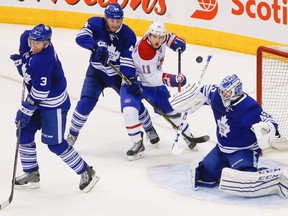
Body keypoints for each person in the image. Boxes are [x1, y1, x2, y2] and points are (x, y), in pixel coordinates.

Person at [10, 24, 99, 193]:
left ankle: (87, 171)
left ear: (47, 42)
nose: (34, 45)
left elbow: (39, 92)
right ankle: (31, 173)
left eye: (39, 43)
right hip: (40, 101)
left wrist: (25, 109)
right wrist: (23, 56)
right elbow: (26, 42)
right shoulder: (33, 45)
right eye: (32, 41)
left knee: (55, 144)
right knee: (24, 133)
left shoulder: (43, 60)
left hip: (53, 105)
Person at [66, 3, 160, 150]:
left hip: (118, 75)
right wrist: (96, 46)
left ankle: (149, 129)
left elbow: (127, 59)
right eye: (112, 21)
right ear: (106, 18)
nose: (115, 24)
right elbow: (80, 37)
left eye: (118, 21)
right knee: (85, 103)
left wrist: (131, 79)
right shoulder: (94, 23)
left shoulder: (128, 34)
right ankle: (72, 133)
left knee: (134, 103)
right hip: (96, 72)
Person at [189, 74, 288, 198]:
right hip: (221, 149)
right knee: (203, 176)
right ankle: (223, 167)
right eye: (223, 91)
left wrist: (268, 127)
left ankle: (276, 180)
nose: (223, 95)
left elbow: (267, 119)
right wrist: (191, 95)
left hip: (243, 151)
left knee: (246, 180)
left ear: (237, 91)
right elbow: (206, 90)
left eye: (227, 92)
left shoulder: (248, 106)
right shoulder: (217, 97)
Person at [120, 20, 199, 160]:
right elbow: (151, 77)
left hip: (153, 85)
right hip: (134, 82)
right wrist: (173, 79)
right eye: (154, 36)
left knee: (172, 112)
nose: (157, 40)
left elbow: (167, 38)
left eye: (160, 37)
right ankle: (137, 143)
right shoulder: (145, 51)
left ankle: (188, 135)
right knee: (129, 111)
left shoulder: (159, 38)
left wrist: (174, 41)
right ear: (149, 35)